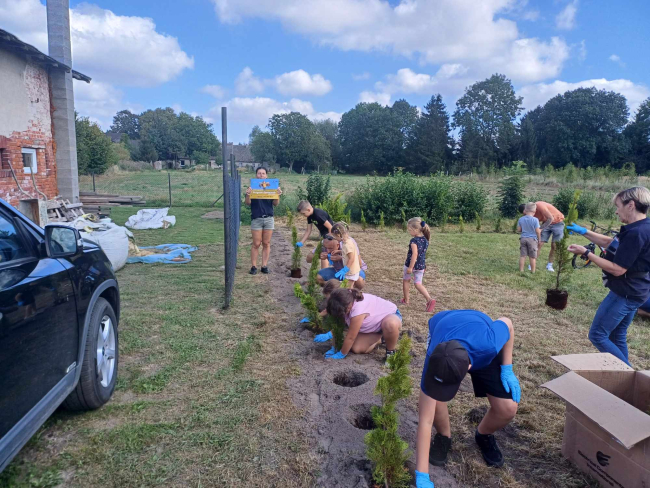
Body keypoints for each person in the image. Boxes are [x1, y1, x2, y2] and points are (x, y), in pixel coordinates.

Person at [414, 310, 520, 488]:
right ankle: (444, 436)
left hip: (478, 334)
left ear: (469, 368)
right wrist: (422, 475)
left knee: (507, 408)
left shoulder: (489, 344)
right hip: (443, 328)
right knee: (435, 398)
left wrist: (507, 368)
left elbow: (507, 323)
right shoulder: (435, 356)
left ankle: (483, 435)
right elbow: (425, 420)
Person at [567, 187, 650, 366]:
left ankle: (628, 376)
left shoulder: (637, 233)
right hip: (637, 291)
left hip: (625, 293)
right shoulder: (641, 227)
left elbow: (618, 269)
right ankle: (623, 381)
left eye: (618, 205)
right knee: (616, 336)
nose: (616, 210)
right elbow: (611, 242)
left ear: (631, 205)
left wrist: (586, 254)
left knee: (597, 334)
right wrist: (583, 231)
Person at [320, 287, 402, 362]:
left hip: (389, 316)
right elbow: (339, 325)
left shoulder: (357, 311)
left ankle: (390, 353)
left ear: (348, 307)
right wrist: (334, 345)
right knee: (356, 348)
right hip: (373, 326)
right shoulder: (343, 299)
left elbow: (351, 337)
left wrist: (341, 354)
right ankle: (382, 338)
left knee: (390, 324)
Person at [245, 166, 282, 275]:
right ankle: (253, 266)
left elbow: (275, 204)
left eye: (263, 173)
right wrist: (248, 194)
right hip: (256, 218)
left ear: (266, 175)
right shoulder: (252, 188)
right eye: (259, 173)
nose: (261, 175)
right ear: (256, 175)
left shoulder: (271, 188)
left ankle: (264, 266)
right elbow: (248, 203)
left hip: (269, 219)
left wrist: (277, 195)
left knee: (266, 243)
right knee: (256, 243)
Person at [518, 201, 564, 272]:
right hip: (546, 223)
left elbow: (550, 218)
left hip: (557, 222)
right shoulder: (529, 215)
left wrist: (541, 229)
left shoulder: (539, 205)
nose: (526, 215)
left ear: (527, 209)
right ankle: (532, 264)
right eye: (524, 214)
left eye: (526, 213)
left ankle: (549, 265)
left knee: (554, 245)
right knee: (539, 243)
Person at [402, 217, 436, 312]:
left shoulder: (414, 241)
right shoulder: (425, 239)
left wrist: (410, 267)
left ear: (416, 230)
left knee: (406, 281)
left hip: (411, 265)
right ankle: (429, 299)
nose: (409, 232)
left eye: (410, 230)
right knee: (418, 284)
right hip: (421, 266)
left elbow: (415, 254)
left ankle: (406, 300)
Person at [296, 201, 334, 267]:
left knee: (323, 255)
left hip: (330, 237)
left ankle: (324, 273)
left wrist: (328, 241)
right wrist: (301, 242)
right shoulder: (309, 217)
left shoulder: (318, 214)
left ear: (308, 209)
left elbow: (331, 227)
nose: (303, 215)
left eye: (303, 213)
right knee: (309, 258)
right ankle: (329, 257)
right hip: (324, 237)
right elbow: (308, 230)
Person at [330, 222, 361, 288]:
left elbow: (351, 258)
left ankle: (350, 297)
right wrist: (339, 251)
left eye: (334, 237)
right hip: (352, 269)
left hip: (351, 271)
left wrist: (345, 269)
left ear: (338, 235)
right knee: (347, 286)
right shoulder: (348, 240)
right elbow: (350, 252)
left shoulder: (347, 245)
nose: (335, 239)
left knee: (348, 288)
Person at [517, 202, 541, 273]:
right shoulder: (535, 220)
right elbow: (537, 231)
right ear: (534, 211)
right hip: (532, 240)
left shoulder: (521, 219)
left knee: (522, 255)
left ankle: (521, 270)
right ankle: (533, 271)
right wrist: (539, 239)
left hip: (523, 238)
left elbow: (519, 230)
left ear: (525, 210)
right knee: (532, 256)